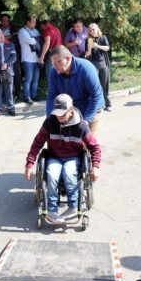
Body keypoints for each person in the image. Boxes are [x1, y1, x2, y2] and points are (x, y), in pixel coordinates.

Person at [25, 94, 101, 223]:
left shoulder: (81, 126)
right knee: (52, 175)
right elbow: (37, 142)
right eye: (57, 113)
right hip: (54, 156)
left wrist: (95, 167)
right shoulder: (50, 122)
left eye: (62, 114)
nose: (59, 117)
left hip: (73, 157)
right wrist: (29, 164)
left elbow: (95, 147)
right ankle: (52, 210)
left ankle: (72, 206)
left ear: (70, 110)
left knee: (69, 174)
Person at [46, 45, 104, 138]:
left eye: (57, 63)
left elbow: (95, 96)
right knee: (70, 143)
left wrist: (85, 121)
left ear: (68, 58)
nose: (54, 67)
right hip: (71, 109)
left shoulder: (86, 68)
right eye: (53, 63)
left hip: (91, 108)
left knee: (87, 144)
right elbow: (52, 96)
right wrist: (49, 119)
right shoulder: (54, 72)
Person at [85, 23, 111, 111]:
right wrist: (89, 49)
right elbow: (87, 55)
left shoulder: (103, 37)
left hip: (103, 63)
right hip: (93, 63)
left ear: (97, 29)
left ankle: (107, 104)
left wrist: (98, 46)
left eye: (93, 29)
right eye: (90, 30)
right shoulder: (89, 39)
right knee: (95, 84)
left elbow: (107, 48)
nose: (92, 31)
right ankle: (97, 104)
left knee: (104, 84)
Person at [18, 16, 42, 104]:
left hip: (36, 58)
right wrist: (36, 39)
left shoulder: (35, 30)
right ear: (27, 22)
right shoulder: (22, 31)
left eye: (35, 22)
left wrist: (36, 39)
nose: (35, 24)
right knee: (28, 79)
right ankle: (27, 97)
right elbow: (31, 41)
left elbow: (40, 40)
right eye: (33, 22)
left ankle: (34, 95)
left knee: (36, 79)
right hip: (27, 59)